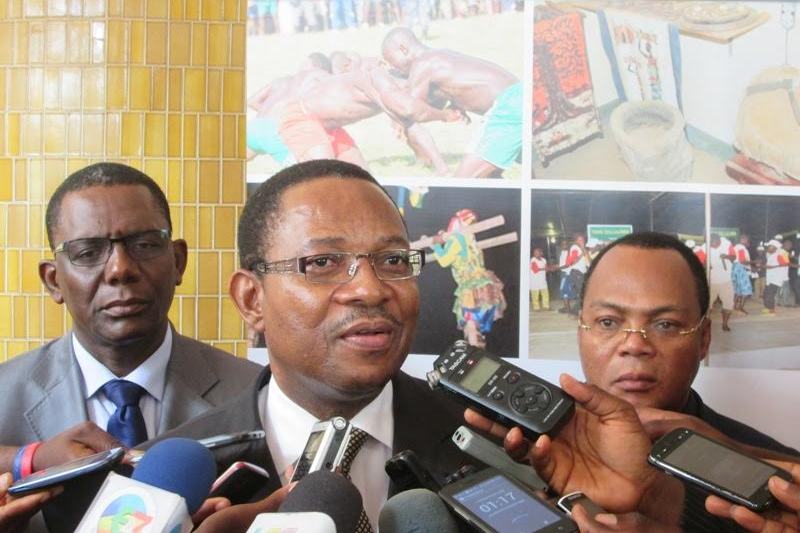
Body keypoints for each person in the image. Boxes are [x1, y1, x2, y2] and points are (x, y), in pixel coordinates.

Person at [147, 160, 475, 530]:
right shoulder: (157, 494)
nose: (370, 289)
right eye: (322, 262)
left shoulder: (499, 451)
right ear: (252, 299)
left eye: (393, 260)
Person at [0, 163, 261, 474]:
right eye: (87, 253)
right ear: (53, 281)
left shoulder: (254, 393)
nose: (120, 269)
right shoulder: (5, 397)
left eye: (145, 245)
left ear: (178, 262)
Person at [576, 231, 797, 531]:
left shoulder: (781, 482)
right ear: (580, 332)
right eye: (607, 322)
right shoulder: (525, 455)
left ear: (704, 339)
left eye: (665, 324)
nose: (634, 345)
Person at [381, 27, 522, 177]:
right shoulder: (441, 55)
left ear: (403, 49)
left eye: (391, 60)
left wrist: (397, 118)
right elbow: (454, 88)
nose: (393, 67)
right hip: (521, 96)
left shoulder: (422, 63)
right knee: (492, 177)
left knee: (462, 182)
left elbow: (412, 109)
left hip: (508, 106)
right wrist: (455, 105)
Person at [707, 233, 735, 332]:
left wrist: (727, 256)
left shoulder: (727, 244)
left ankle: (725, 324)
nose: (713, 245)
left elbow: (734, 257)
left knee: (728, 305)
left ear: (719, 240)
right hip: (711, 282)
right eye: (711, 244)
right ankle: (705, 324)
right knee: (707, 305)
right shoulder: (705, 247)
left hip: (726, 281)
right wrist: (705, 265)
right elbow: (698, 261)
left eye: (715, 243)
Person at [763, 239, 789, 316]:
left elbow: (785, 264)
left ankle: (772, 310)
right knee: (766, 294)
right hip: (770, 279)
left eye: (769, 246)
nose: (768, 248)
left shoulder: (779, 255)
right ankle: (767, 308)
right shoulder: (771, 255)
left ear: (775, 247)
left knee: (770, 294)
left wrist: (772, 267)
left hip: (775, 279)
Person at [732, 234, 755, 315]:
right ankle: (740, 308)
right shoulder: (741, 247)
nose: (747, 241)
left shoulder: (735, 247)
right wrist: (754, 262)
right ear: (742, 239)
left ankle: (734, 307)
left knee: (738, 291)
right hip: (740, 269)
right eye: (747, 239)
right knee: (747, 290)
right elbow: (742, 261)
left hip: (735, 268)